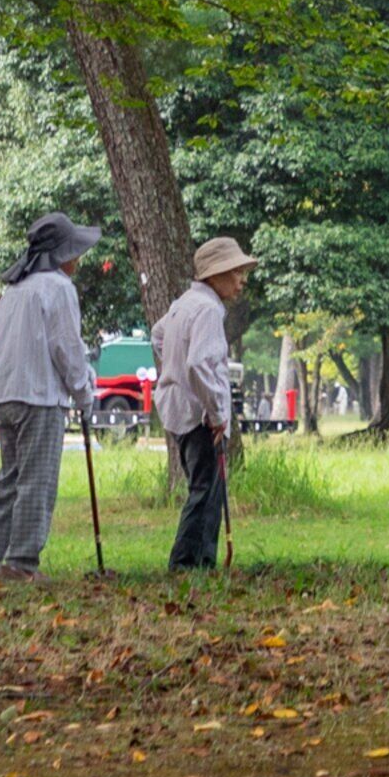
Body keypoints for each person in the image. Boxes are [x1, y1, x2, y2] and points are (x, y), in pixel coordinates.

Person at [0, 212, 97, 584]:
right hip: (40, 397)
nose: (78, 259)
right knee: (37, 483)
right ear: (62, 254)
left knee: (9, 481)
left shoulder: (15, 290)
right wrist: (84, 395)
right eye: (74, 252)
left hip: (7, 394)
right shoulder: (58, 288)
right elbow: (67, 349)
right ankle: (21, 564)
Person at [154, 235, 255, 572]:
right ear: (215, 275)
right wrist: (215, 413)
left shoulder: (183, 303)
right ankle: (188, 563)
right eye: (236, 272)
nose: (241, 281)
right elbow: (198, 364)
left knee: (206, 486)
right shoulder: (208, 310)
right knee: (206, 489)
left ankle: (201, 560)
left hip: (178, 408)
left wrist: (172, 365)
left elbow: (158, 335)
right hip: (198, 415)